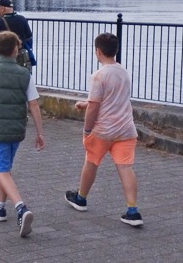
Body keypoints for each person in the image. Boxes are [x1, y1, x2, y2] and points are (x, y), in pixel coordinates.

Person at [65, 32, 143, 227]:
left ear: (97, 51)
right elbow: (113, 99)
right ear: (115, 51)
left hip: (103, 130)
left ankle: (81, 198)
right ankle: (133, 210)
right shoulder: (123, 72)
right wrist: (86, 103)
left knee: (91, 161)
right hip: (125, 128)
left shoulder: (98, 76)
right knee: (125, 167)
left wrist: (87, 130)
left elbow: (95, 106)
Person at [0, 31, 45, 238]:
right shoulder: (25, 74)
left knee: (1, 170)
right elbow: (33, 104)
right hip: (16, 128)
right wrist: (40, 132)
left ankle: (21, 208)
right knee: (5, 168)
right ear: (16, 49)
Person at [0, 0, 35, 67]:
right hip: (19, 58)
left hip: (1, 58)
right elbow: (29, 37)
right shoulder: (22, 19)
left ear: (2, 9)